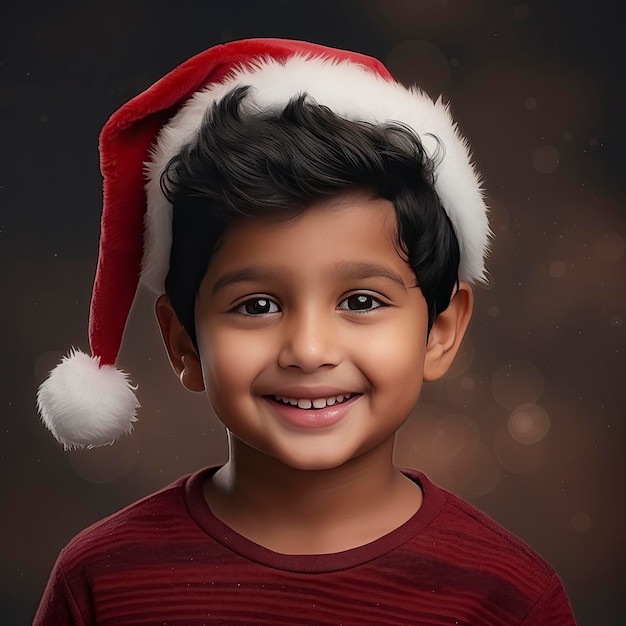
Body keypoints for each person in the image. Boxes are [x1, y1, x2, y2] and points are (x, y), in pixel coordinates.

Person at [34, 38, 576, 625]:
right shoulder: (103, 581)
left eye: (362, 300)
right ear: (184, 343)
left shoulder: (507, 596)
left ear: (440, 330)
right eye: (257, 305)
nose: (309, 351)